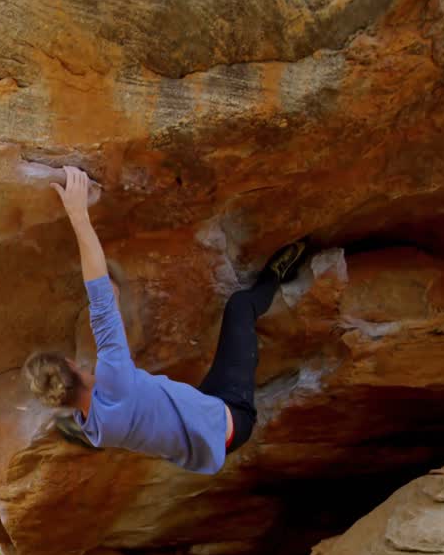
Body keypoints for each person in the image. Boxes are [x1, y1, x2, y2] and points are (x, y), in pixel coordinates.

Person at [23, 166, 307, 474]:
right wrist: (78, 215)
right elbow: (101, 299)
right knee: (240, 306)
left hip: (204, 416)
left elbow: (107, 305)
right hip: (232, 418)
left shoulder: (95, 429)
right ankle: (274, 277)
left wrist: (111, 300)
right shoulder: (114, 382)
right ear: (71, 363)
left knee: (194, 394)